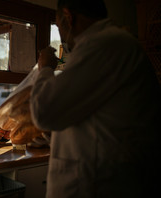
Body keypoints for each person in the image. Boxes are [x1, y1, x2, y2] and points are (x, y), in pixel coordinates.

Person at [30, 0, 161, 197]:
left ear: (68, 17)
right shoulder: (111, 44)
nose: (62, 35)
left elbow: (44, 112)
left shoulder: (106, 44)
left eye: (58, 27)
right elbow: (93, 115)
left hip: (98, 184)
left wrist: (46, 67)